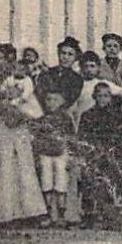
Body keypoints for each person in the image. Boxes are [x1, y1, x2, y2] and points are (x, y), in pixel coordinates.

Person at [0, 43, 47, 227]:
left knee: (23, 167)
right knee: (2, 168)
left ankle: (28, 213)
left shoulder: (19, 79)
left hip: (18, 126)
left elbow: (30, 102)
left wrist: (21, 114)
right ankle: (2, 215)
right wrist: (3, 109)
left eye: (1, 59)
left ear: (7, 60)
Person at [79, 82, 122, 228]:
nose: (103, 99)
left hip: (112, 154)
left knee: (115, 180)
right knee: (91, 180)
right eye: (100, 96)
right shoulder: (87, 115)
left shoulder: (116, 115)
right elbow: (82, 138)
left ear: (111, 98)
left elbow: (121, 137)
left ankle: (112, 217)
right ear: (94, 97)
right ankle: (89, 215)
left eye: (106, 96)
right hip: (94, 154)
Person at [34, 91, 76, 227]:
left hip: (61, 153)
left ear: (61, 102)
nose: (51, 103)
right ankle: (48, 213)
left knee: (61, 182)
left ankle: (61, 214)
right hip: (45, 153)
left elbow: (71, 138)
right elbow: (36, 137)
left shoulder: (66, 118)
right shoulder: (41, 118)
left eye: (55, 100)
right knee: (46, 181)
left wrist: (70, 154)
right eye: (48, 99)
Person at [36, 38, 85, 112]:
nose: (65, 57)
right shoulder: (47, 73)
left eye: (70, 54)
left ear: (75, 58)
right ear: (58, 54)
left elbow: (69, 100)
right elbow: (40, 94)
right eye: (63, 53)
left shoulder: (77, 79)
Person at [72, 53, 122, 121]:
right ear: (81, 67)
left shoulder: (102, 83)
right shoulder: (76, 84)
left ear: (98, 67)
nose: (89, 69)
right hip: (80, 121)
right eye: (86, 66)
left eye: (92, 66)